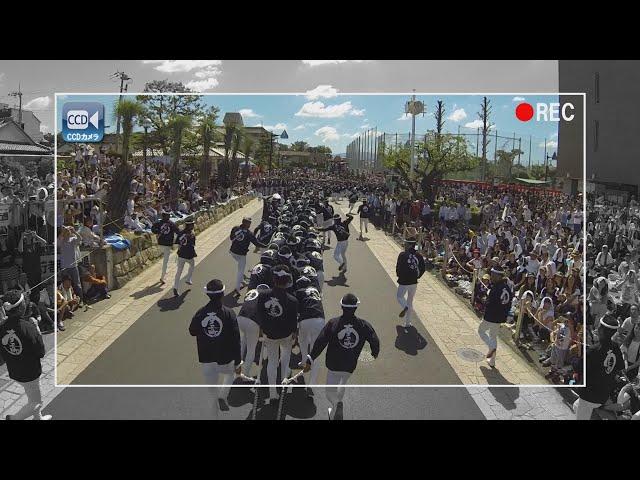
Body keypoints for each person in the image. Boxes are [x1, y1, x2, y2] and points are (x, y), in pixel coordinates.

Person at [302, 293, 380, 419]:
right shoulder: (363, 324)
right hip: (350, 364)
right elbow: (374, 340)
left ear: (341, 306)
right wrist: (374, 352)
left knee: (329, 392)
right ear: (356, 307)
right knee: (342, 383)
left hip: (334, 364)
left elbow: (320, 342)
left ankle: (337, 404)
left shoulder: (333, 323)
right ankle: (334, 412)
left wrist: (310, 359)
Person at [189, 279, 241, 416]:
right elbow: (236, 339)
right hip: (225, 358)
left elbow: (192, 331)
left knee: (211, 396)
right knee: (230, 374)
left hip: (207, 358)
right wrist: (238, 360)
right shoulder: (229, 313)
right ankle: (223, 395)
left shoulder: (200, 313)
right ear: (223, 293)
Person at [1, 290, 52, 420]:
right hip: (30, 372)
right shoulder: (28, 327)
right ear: (21, 308)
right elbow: (41, 352)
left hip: (14, 370)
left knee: (32, 396)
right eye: (24, 302)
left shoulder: (2, 327)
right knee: (37, 402)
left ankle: (38, 418)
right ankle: (13, 418)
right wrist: (36, 329)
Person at [256, 264, 299, 401]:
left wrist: (261, 329)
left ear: (273, 279)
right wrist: (295, 333)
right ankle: (284, 379)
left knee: (272, 362)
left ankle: (272, 392)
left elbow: (260, 314)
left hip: (269, 334)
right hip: (286, 335)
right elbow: (294, 322)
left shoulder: (263, 295)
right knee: (286, 356)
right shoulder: (293, 300)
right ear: (287, 281)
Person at [573, 313, 625, 420]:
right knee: (575, 405)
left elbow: (578, 367)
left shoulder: (592, 351)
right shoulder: (615, 347)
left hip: (589, 396)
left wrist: (579, 353)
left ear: (601, 330)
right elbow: (620, 366)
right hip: (604, 394)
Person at [477, 267, 513, 367]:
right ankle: (492, 361)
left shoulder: (496, 288)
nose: (491, 277)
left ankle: (491, 348)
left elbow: (490, 303)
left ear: (498, 276)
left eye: (493, 275)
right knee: (493, 336)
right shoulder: (507, 288)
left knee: (481, 331)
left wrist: (485, 301)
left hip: (491, 315)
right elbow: (508, 304)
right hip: (500, 317)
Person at [294, 276, 325, 391]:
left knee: (302, 340)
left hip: (305, 319)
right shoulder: (315, 291)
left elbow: (296, 311)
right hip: (320, 319)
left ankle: (303, 360)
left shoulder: (299, 292)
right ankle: (311, 383)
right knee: (315, 351)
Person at [236, 284, 270, 380]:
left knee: (244, 340)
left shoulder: (251, 292)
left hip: (240, 318)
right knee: (251, 349)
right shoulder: (265, 297)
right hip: (252, 322)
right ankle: (245, 374)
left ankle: (237, 365)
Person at [229, 217, 266, 297]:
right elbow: (257, 243)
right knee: (240, 271)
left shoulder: (235, 228)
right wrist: (266, 245)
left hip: (232, 252)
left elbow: (231, 238)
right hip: (241, 255)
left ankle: (243, 278)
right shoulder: (249, 234)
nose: (250, 224)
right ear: (246, 223)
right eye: (249, 223)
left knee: (241, 264)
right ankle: (237, 288)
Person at [395, 238, 426, 329]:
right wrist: (417, 276)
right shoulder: (419, 256)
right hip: (414, 282)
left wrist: (399, 275)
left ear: (409, 245)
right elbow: (423, 268)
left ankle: (405, 307)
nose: (404, 245)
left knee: (400, 297)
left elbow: (398, 267)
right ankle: (408, 323)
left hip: (404, 281)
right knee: (410, 301)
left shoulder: (402, 255)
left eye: (406, 244)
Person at [151, 210, 179, 285]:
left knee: (165, 261)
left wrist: (158, 232)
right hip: (166, 244)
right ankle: (163, 277)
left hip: (161, 243)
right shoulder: (171, 224)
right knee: (165, 262)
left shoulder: (159, 223)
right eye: (168, 216)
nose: (169, 217)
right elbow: (178, 232)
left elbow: (153, 229)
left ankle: (163, 276)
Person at [173, 219, 196, 297]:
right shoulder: (191, 234)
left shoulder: (180, 233)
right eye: (192, 225)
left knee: (179, 272)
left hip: (181, 254)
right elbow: (192, 245)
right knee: (192, 265)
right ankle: (188, 279)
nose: (193, 226)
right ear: (189, 226)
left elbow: (177, 244)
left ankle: (175, 287)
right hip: (188, 255)